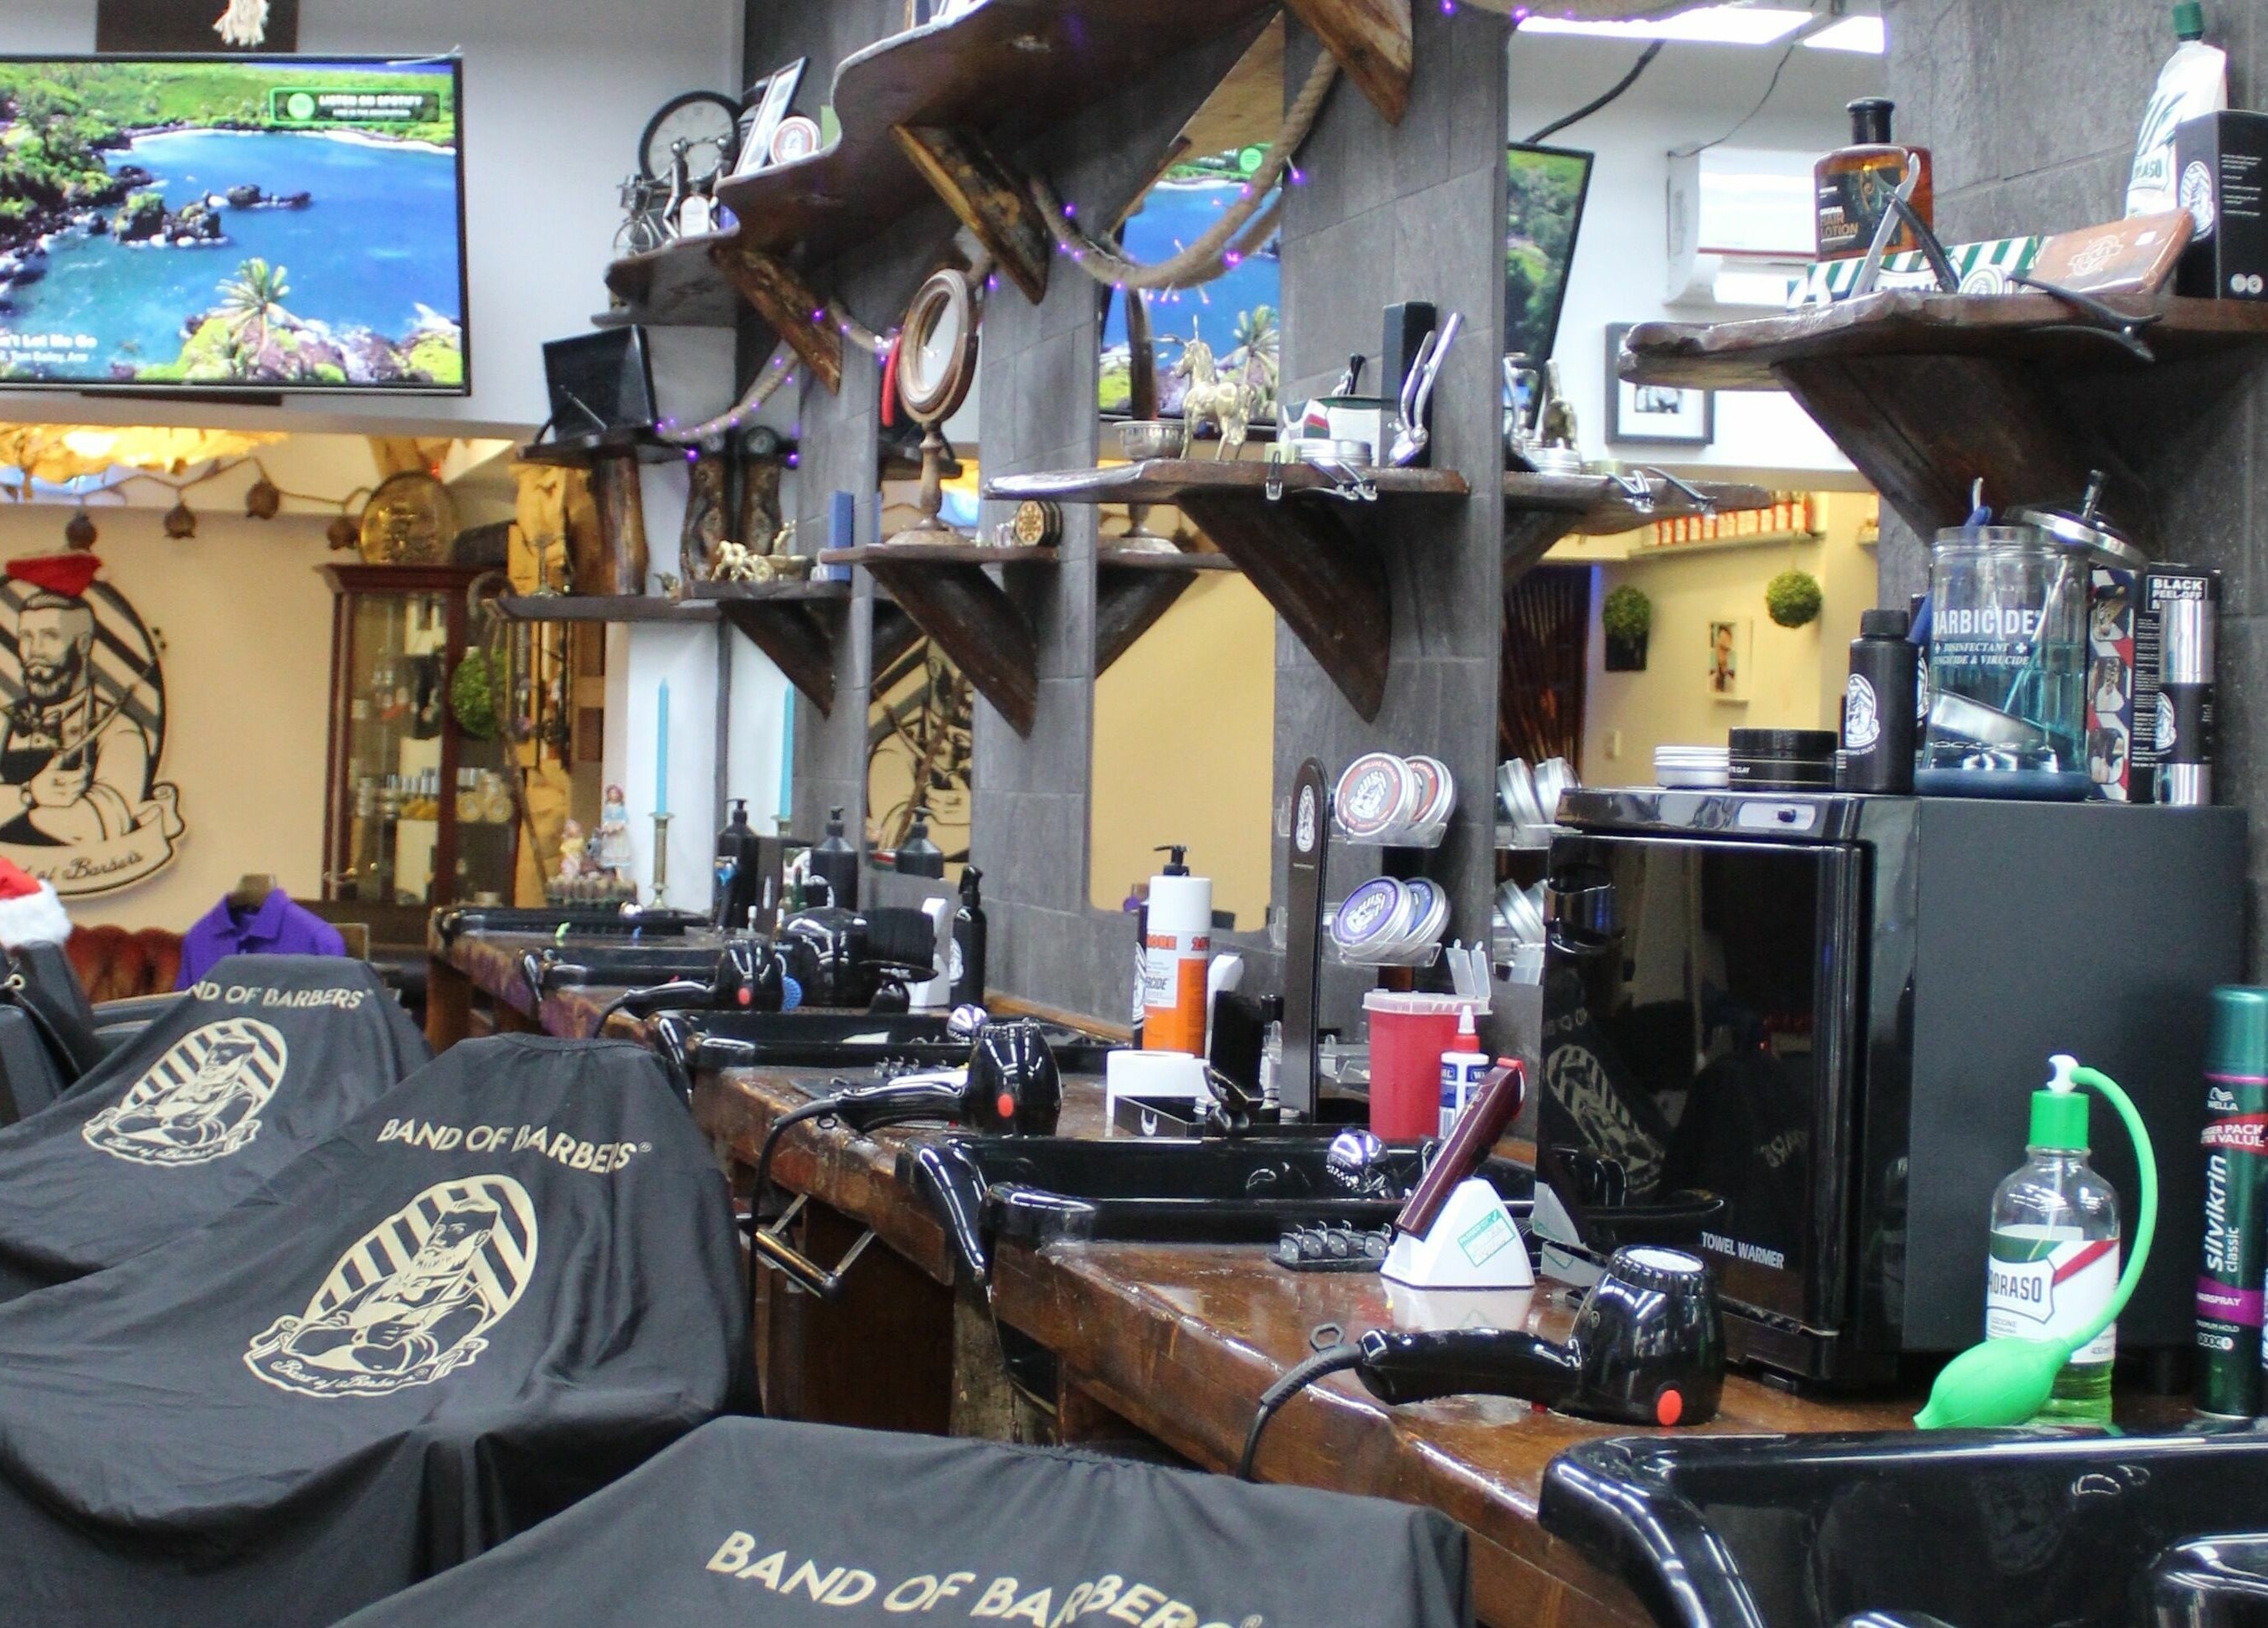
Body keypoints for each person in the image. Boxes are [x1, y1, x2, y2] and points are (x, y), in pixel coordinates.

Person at [0, 556, 153, 848]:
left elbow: (101, 826)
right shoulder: (3, 721)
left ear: (83, 644)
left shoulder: (119, 730)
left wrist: (12, 804)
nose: (34, 651)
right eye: (26, 637)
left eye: (50, 637)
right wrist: (30, 794)